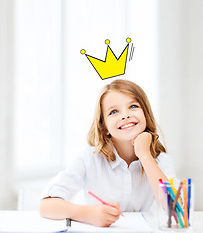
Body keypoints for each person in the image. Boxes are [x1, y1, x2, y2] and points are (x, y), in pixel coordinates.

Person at [40, 79, 177, 227]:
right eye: (114, 111)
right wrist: (89, 214)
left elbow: (175, 211)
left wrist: (145, 155)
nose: (125, 115)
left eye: (133, 106)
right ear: (104, 127)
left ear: (146, 115)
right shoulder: (89, 158)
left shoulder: (161, 161)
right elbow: (46, 206)